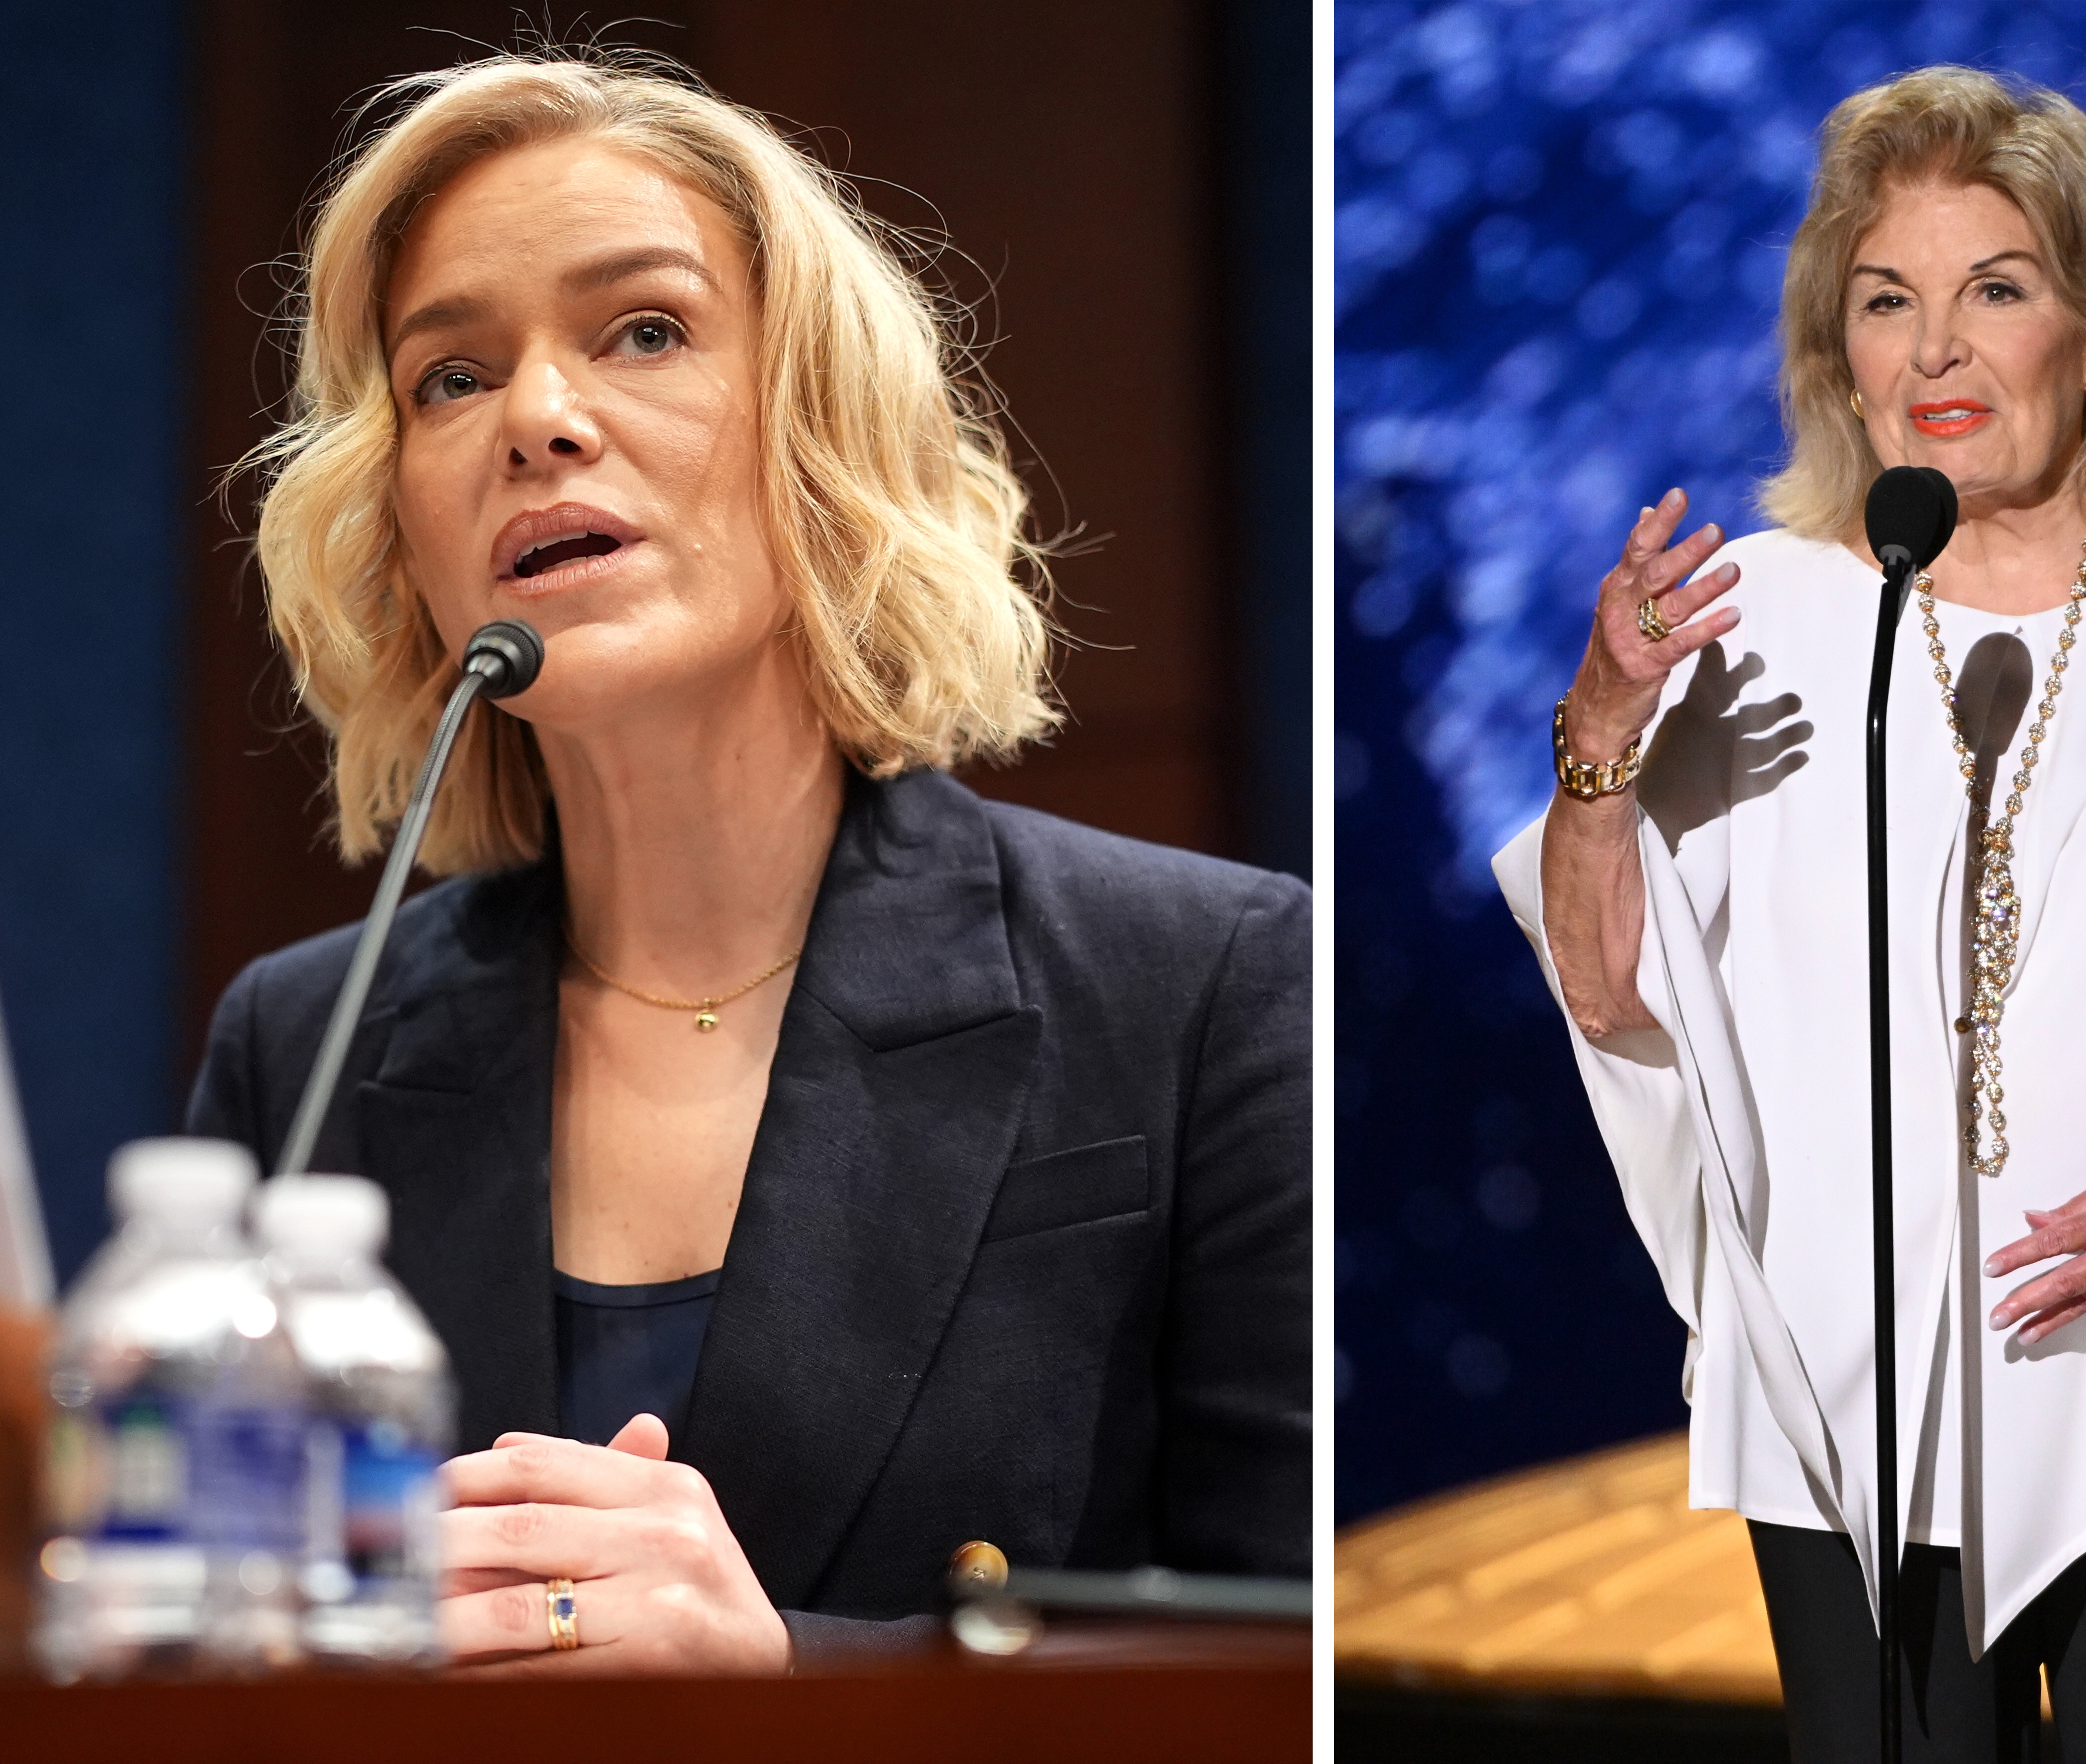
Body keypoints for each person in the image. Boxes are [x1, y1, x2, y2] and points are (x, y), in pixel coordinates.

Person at [188, 52, 1308, 1675]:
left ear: (815, 427)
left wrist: (797, 1679)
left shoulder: (1203, 982)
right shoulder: (303, 1048)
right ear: (399, 527)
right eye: (450, 378)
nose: (541, 421)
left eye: (645, 331)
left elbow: (1315, 1661)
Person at [1494, 66, 2086, 1763]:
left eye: (1997, 291)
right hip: (1850, 1402)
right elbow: (1613, 994)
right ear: (1842, 356)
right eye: (1888, 302)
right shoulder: (1761, 623)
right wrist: (1601, 737)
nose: (1937, 350)